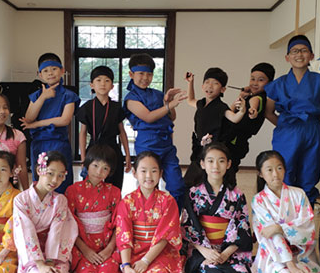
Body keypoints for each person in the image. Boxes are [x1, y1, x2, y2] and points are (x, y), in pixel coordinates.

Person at [179, 143, 254, 273]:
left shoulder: (236, 195)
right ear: (202, 164)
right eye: (210, 161)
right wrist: (206, 251)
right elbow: (187, 226)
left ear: (228, 164)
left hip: (229, 251)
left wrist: (226, 253)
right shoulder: (193, 193)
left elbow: (243, 227)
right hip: (200, 251)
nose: (216, 166)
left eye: (221, 161)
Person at [115, 151, 183, 273]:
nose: (148, 176)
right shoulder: (127, 201)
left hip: (159, 254)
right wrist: (126, 266)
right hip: (132, 254)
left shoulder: (167, 201)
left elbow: (165, 235)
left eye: (154, 171)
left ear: (160, 173)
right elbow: (123, 236)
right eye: (143, 171)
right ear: (135, 173)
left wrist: (146, 260)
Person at [12, 150, 78, 273]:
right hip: (31, 257)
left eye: (60, 175)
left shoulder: (60, 201)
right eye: (50, 173)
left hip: (54, 256)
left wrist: (49, 262)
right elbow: (25, 232)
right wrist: (39, 264)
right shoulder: (21, 199)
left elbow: (58, 233)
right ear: (39, 170)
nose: (55, 180)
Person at [64, 144, 122, 273]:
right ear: (87, 164)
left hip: (107, 248)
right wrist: (85, 250)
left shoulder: (114, 192)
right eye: (95, 165)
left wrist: (109, 249)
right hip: (82, 248)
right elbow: (69, 224)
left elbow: (120, 225)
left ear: (110, 172)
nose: (99, 172)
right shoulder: (72, 191)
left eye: (105, 168)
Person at [264, 35, 320, 206]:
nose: (299, 54)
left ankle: (306, 211)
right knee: (284, 170)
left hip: (311, 129)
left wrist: (315, 120)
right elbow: (268, 112)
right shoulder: (278, 84)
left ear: (311, 55)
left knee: (310, 170)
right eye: (294, 51)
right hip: (286, 130)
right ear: (287, 57)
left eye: (303, 50)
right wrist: (284, 125)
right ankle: (283, 210)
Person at [123, 53, 187, 204]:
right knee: (148, 185)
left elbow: (171, 117)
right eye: (141, 73)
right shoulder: (131, 98)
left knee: (177, 184)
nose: (145, 78)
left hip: (166, 144)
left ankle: (174, 215)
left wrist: (169, 102)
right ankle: (148, 215)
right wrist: (170, 105)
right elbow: (148, 117)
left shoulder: (158, 94)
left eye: (149, 74)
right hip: (147, 144)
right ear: (131, 74)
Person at [21, 53, 80, 193]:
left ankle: (62, 206)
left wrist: (37, 124)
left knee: (61, 181)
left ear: (62, 70)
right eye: (46, 70)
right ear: (40, 74)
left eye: (54, 69)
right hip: (39, 144)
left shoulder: (69, 95)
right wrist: (43, 97)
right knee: (40, 181)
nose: (50, 73)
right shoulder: (37, 95)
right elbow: (28, 118)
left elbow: (64, 120)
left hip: (59, 143)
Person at [183, 68, 246, 186]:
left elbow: (234, 118)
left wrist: (242, 111)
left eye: (215, 83)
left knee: (216, 180)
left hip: (215, 150)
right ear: (202, 86)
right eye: (207, 82)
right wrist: (190, 82)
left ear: (222, 89)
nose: (210, 86)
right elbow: (190, 100)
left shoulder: (221, 107)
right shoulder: (201, 103)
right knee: (191, 181)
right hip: (201, 148)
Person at [76, 65, 131, 188]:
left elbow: (122, 132)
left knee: (114, 185)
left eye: (107, 80)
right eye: (98, 80)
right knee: (92, 187)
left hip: (113, 150)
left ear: (112, 86)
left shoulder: (116, 107)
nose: (102, 84)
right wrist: (83, 158)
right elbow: (82, 133)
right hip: (93, 149)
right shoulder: (86, 107)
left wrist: (127, 154)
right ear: (92, 85)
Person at [220, 62, 275, 173]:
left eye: (260, 80)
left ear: (269, 83)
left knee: (227, 169)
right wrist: (241, 96)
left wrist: (252, 109)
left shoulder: (258, 98)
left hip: (235, 141)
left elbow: (254, 102)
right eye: (252, 79)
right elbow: (230, 112)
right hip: (232, 139)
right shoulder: (250, 96)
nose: (255, 83)